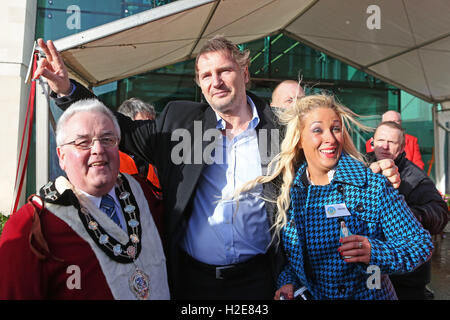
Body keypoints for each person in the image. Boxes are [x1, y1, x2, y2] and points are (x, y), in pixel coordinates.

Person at [33, 36, 401, 300]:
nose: (216, 81)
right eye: (206, 75)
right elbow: (121, 130)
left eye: (224, 71)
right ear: (199, 83)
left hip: (261, 278)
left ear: (243, 70)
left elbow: (326, 151)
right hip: (194, 280)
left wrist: (375, 167)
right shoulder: (180, 122)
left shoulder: (281, 126)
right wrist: (67, 89)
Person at [234, 94, 433, 300]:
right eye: (317, 130)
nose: (330, 138)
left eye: (335, 128)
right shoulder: (290, 191)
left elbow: (420, 243)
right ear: (300, 139)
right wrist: (289, 282)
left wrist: (374, 252)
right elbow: (295, 260)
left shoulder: (371, 185)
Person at [0, 99, 169, 299]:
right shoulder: (31, 225)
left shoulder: (143, 194)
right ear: (61, 156)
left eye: (108, 139)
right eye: (83, 142)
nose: (98, 149)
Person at [368, 121, 449, 299]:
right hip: (368, 270)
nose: (385, 146)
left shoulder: (415, 177)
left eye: (392, 142)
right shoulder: (360, 166)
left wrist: (408, 217)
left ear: (402, 146)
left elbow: (441, 212)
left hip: (405, 277)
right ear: (372, 142)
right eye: (380, 140)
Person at [117, 98, 161, 190]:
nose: (149, 129)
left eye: (152, 122)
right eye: (144, 124)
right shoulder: (112, 158)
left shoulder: (159, 155)